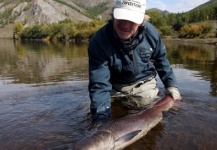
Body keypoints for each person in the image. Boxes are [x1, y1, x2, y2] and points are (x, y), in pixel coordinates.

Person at [88, 0, 181, 125]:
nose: (125, 25)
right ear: (114, 15)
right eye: (122, 17)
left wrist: (171, 86)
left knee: (150, 111)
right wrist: (100, 121)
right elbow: (99, 84)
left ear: (141, 21)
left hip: (143, 84)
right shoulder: (98, 41)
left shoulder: (151, 34)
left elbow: (162, 61)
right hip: (113, 87)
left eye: (132, 20)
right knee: (97, 112)